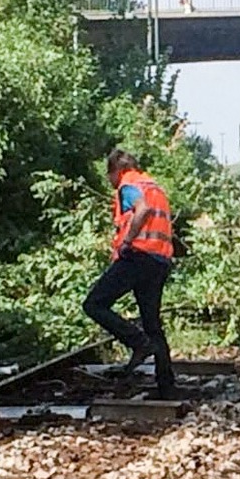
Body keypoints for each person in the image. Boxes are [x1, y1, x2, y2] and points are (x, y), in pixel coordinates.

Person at [83, 148, 176, 398]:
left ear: (118, 170)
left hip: (138, 256)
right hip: (160, 260)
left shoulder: (128, 184)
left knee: (94, 304)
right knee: (153, 324)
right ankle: (166, 387)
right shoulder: (154, 186)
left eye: (109, 175)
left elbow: (141, 210)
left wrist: (127, 242)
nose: (110, 181)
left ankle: (137, 342)